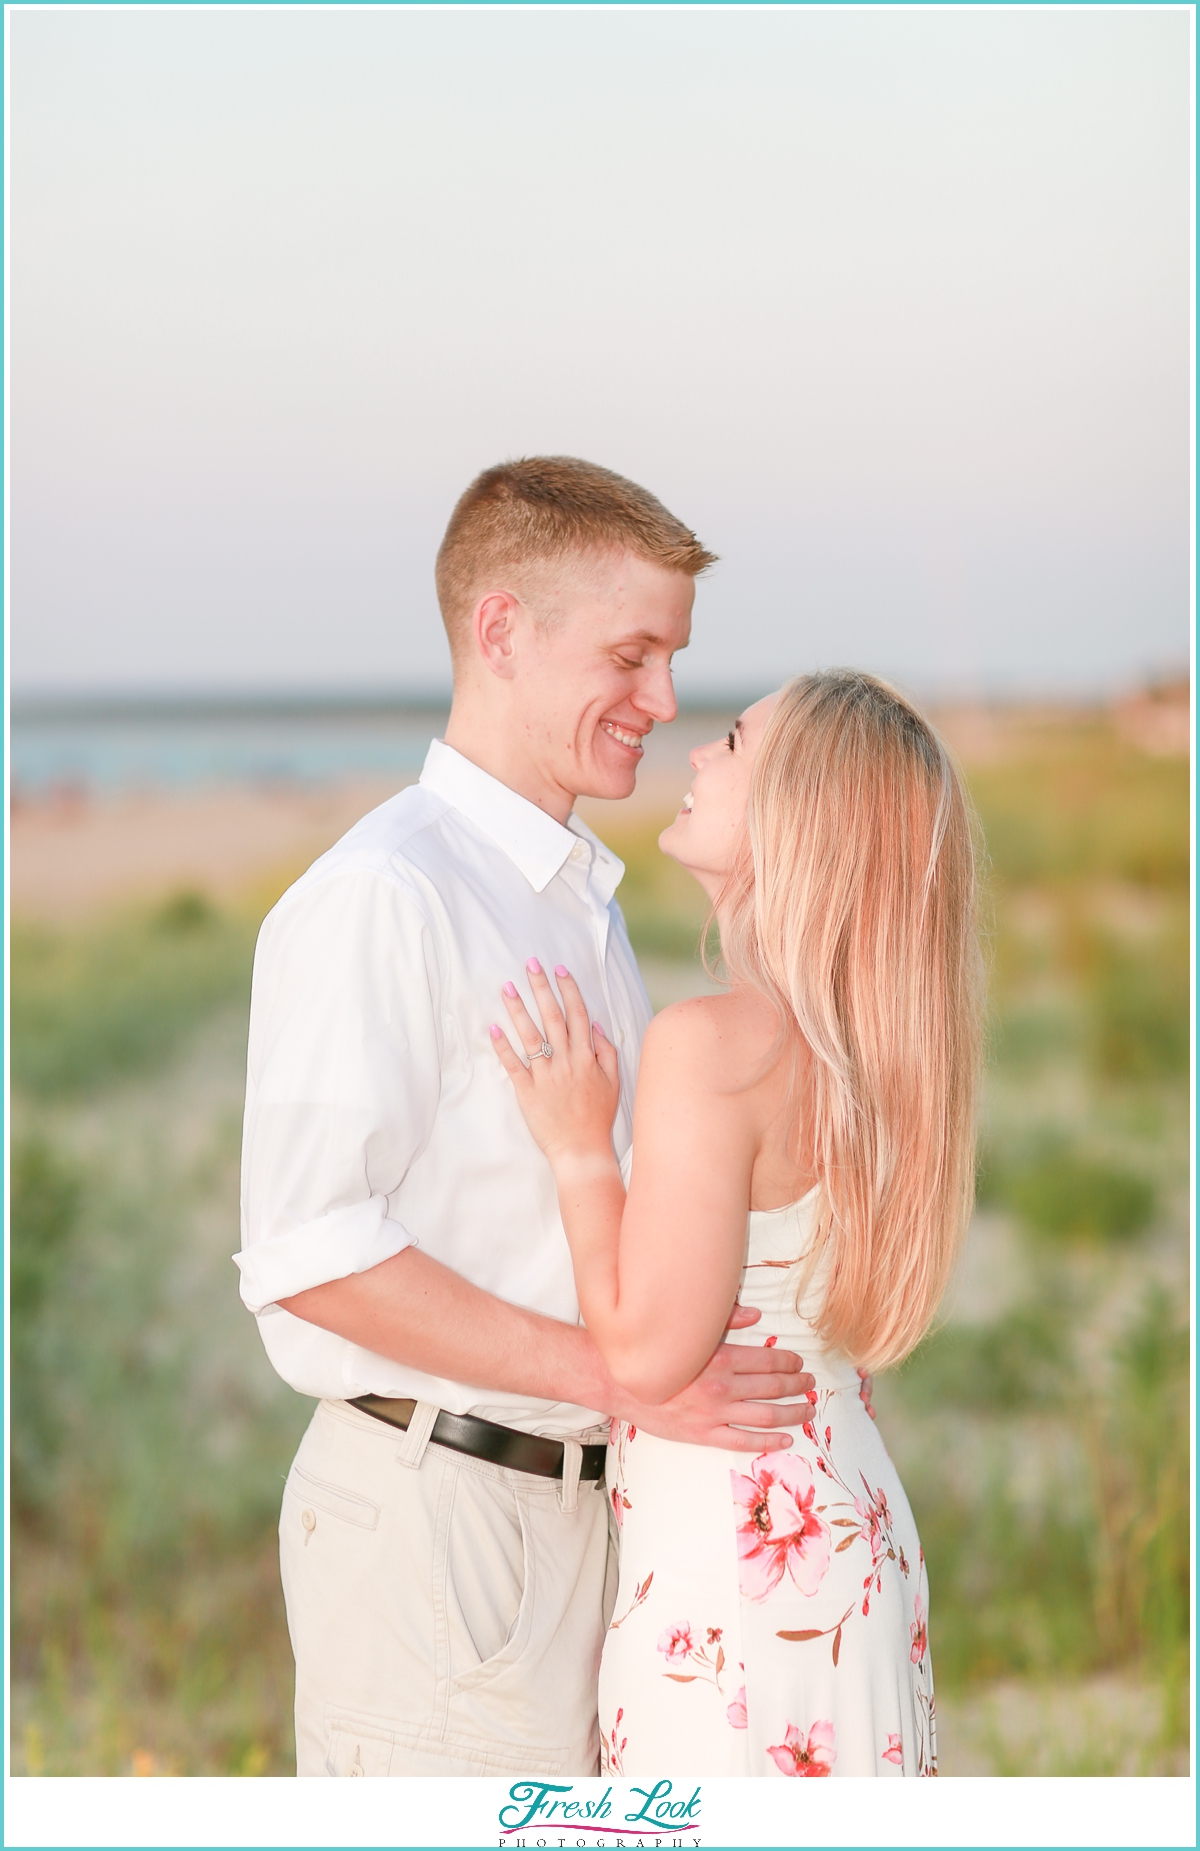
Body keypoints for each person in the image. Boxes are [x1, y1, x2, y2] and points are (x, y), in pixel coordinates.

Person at [236, 456, 832, 1778]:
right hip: (445, 1528)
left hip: (587, 1517)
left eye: (672, 660)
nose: (663, 702)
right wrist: (620, 1380)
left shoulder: (580, 904)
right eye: (631, 655)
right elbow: (307, 1249)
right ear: (502, 629)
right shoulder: (388, 894)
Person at [490, 670, 983, 1778]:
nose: (696, 754)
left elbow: (650, 1353)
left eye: (731, 741)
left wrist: (578, 1147)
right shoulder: (883, 1058)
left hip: (744, 1562)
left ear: (794, 813)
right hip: (847, 1530)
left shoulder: (715, 1046)